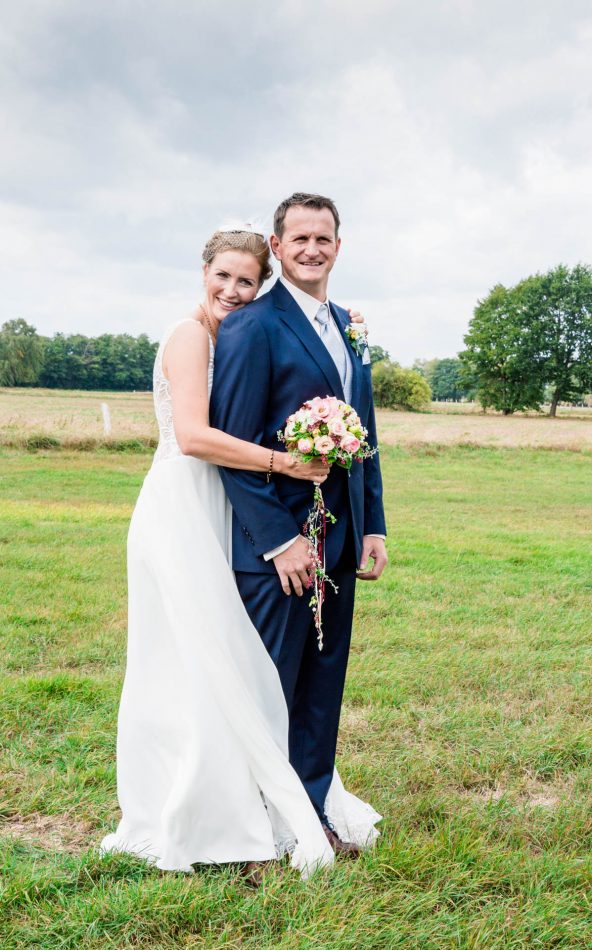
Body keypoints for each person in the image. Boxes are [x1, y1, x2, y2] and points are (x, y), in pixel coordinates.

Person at [100, 226, 377, 882]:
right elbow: (194, 437)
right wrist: (288, 463)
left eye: (244, 281)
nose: (232, 289)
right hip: (184, 510)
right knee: (204, 667)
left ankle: (259, 814)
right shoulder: (192, 335)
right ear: (203, 271)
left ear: (263, 283)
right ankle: (220, 820)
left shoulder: (246, 332)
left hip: (224, 508)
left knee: (229, 665)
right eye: (222, 276)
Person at [211, 193, 387, 857]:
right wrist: (280, 541)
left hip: (340, 543)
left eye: (325, 238)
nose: (313, 249)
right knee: (268, 695)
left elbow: (364, 436)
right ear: (278, 249)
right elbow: (231, 444)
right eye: (300, 239)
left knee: (320, 693)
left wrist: (374, 526)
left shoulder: (350, 325)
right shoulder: (251, 327)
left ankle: (309, 818)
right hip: (276, 551)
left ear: (338, 246)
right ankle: (251, 831)